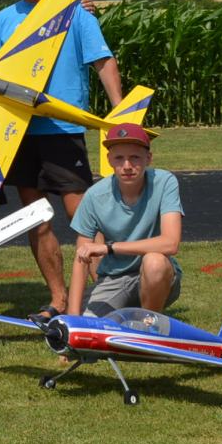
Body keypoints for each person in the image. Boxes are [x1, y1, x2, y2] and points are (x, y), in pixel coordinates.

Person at [0, 0, 126, 318]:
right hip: (20, 130)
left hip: (63, 129)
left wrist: (121, 113)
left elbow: (102, 61)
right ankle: (58, 300)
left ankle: (107, 301)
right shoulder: (3, 20)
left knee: (83, 217)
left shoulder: (76, 12)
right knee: (36, 219)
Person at [67, 124, 182, 316]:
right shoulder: (94, 196)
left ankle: (148, 324)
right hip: (114, 278)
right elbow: (81, 257)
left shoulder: (164, 182)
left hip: (159, 275)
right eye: (119, 158)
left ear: (148, 158)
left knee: (154, 262)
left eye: (135, 157)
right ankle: (128, 314)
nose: (127, 166)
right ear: (109, 160)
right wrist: (72, 316)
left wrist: (109, 248)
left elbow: (171, 243)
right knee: (91, 325)